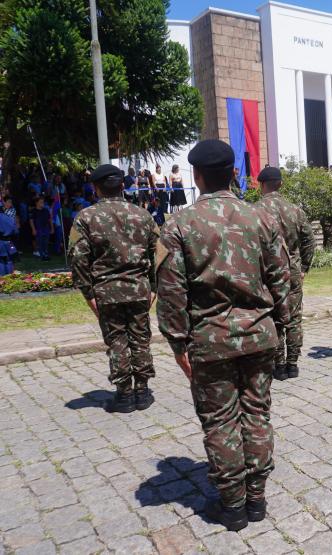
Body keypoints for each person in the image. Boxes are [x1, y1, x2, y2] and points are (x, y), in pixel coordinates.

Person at [156, 139, 291, 531]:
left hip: (210, 341)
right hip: (259, 336)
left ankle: (233, 505)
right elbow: (283, 279)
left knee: (220, 421)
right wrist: (280, 323)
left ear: (196, 176)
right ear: (234, 173)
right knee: (257, 412)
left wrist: (177, 342)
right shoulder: (261, 219)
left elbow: (170, 292)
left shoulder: (178, 225)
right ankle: (256, 498)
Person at [68, 164, 159, 413]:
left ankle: (125, 396)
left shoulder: (86, 218)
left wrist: (88, 293)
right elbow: (159, 254)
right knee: (141, 339)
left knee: (117, 340)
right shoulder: (143, 216)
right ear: (122, 186)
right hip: (139, 289)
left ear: (96, 189)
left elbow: (78, 259)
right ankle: (142, 391)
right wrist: (154, 287)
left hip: (106, 291)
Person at [256, 166, 315, 380]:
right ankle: (293, 363)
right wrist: (304, 267)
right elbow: (309, 240)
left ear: (261, 185)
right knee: (293, 316)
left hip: (268, 273)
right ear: (280, 184)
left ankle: (278, 363)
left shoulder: (255, 210)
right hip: (292, 270)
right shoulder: (294, 210)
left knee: (273, 316)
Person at [30, 196, 52, 260]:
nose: (42, 203)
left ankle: (46, 254)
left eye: (43, 202)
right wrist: (33, 229)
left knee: (46, 242)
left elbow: (49, 219)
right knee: (40, 242)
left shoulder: (46, 210)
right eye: (41, 202)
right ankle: (41, 255)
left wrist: (52, 228)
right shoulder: (33, 211)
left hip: (46, 228)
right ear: (36, 203)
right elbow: (31, 221)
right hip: (38, 229)